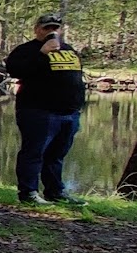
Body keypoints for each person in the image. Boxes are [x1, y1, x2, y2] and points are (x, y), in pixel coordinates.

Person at [5, 13, 86, 205]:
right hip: (39, 111)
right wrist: (42, 53)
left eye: (55, 28)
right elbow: (15, 70)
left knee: (57, 155)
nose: (51, 31)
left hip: (69, 112)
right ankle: (29, 193)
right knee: (34, 152)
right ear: (37, 29)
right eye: (47, 28)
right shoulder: (27, 50)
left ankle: (55, 191)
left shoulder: (68, 49)